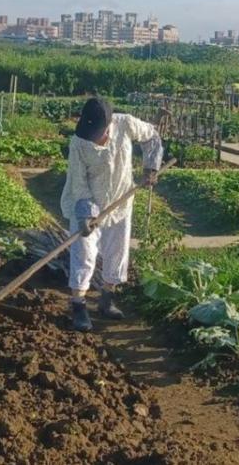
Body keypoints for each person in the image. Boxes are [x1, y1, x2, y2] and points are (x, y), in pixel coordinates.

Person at [61, 97, 163, 332]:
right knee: (84, 254)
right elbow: (79, 184)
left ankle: (107, 300)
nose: (95, 138)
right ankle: (79, 305)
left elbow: (153, 137)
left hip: (121, 200)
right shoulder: (78, 143)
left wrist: (150, 168)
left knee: (117, 251)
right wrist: (86, 215)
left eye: (99, 132)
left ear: (108, 125)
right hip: (87, 204)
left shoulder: (125, 123)